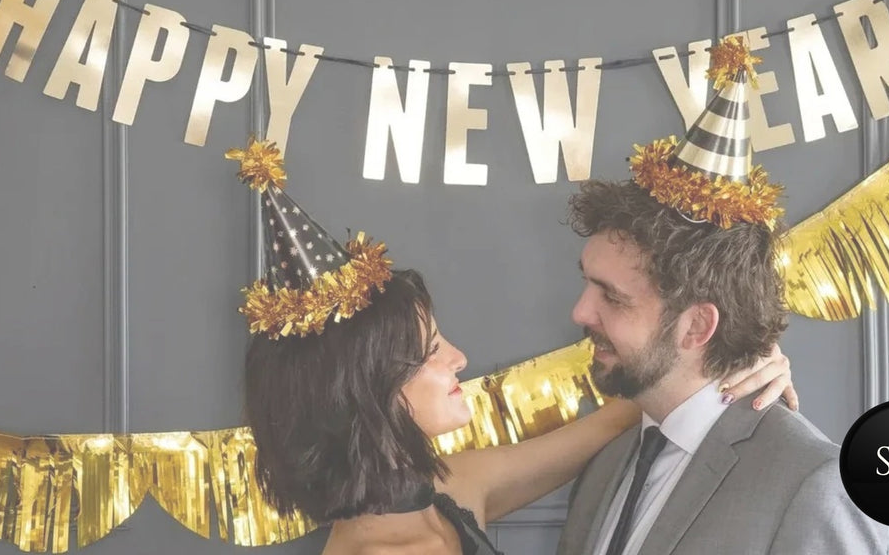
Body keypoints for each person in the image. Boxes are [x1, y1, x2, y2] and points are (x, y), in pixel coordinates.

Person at [227, 138, 800, 555]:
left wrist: (734, 358)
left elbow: (625, 414)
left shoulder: (451, 489)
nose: (458, 359)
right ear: (368, 392)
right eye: (428, 351)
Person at [554, 36, 889, 555]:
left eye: (613, 297)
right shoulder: (605, 467)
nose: (580, 312)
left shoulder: (816, 484)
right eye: (586, 282)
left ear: (697, 326)